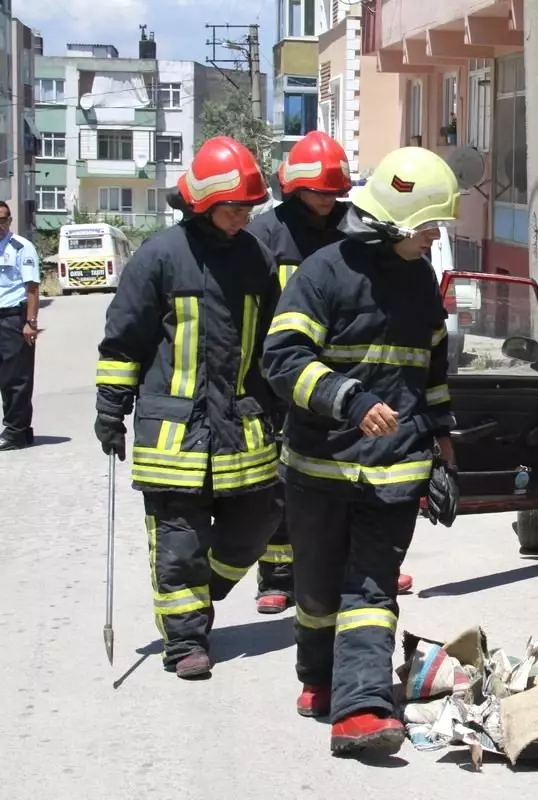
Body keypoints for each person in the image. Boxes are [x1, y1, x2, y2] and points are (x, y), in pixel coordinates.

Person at [262, 146, 460, 756]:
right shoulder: (322, 273)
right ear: (398, 221)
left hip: (395, 468)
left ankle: (361, 707)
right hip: (319, 467)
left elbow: (430, 370)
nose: (433, 238)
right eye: (428, 226)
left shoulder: (420, 280)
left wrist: (443, 446)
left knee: (370, 589)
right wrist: (347, 398)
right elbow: (281, 359)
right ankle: (319, 679)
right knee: (318, 589)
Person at [93, 136, 282, 679]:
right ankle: (186, 642)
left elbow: (273, 343)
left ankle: (203, 595)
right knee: (178, 542)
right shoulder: (160, 257)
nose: (243, 216)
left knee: (260, 518)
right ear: (202, 202)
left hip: (240, 426)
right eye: (234, 207)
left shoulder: (256, 258)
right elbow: (123, 340)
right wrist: (111, 407)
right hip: (173, 432)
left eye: (249, 207)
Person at [245, 132, 418, 615]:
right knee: (286, 482)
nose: (326, 201)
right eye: (317, 192)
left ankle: (363, 566)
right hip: (284, 373)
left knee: (355, 478)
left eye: (333, 192)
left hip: (347, 379)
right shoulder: (265, 236)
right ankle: (278, 575)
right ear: (294, 188)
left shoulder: (352, 229)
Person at [0, 202, 41, 451]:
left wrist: (30, 323)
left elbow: (33, 288)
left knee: (16, 379)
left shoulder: (21, 247)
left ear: (10, 220)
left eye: (2, 219)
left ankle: (15, 432)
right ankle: (22, 430)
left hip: (13, 320)